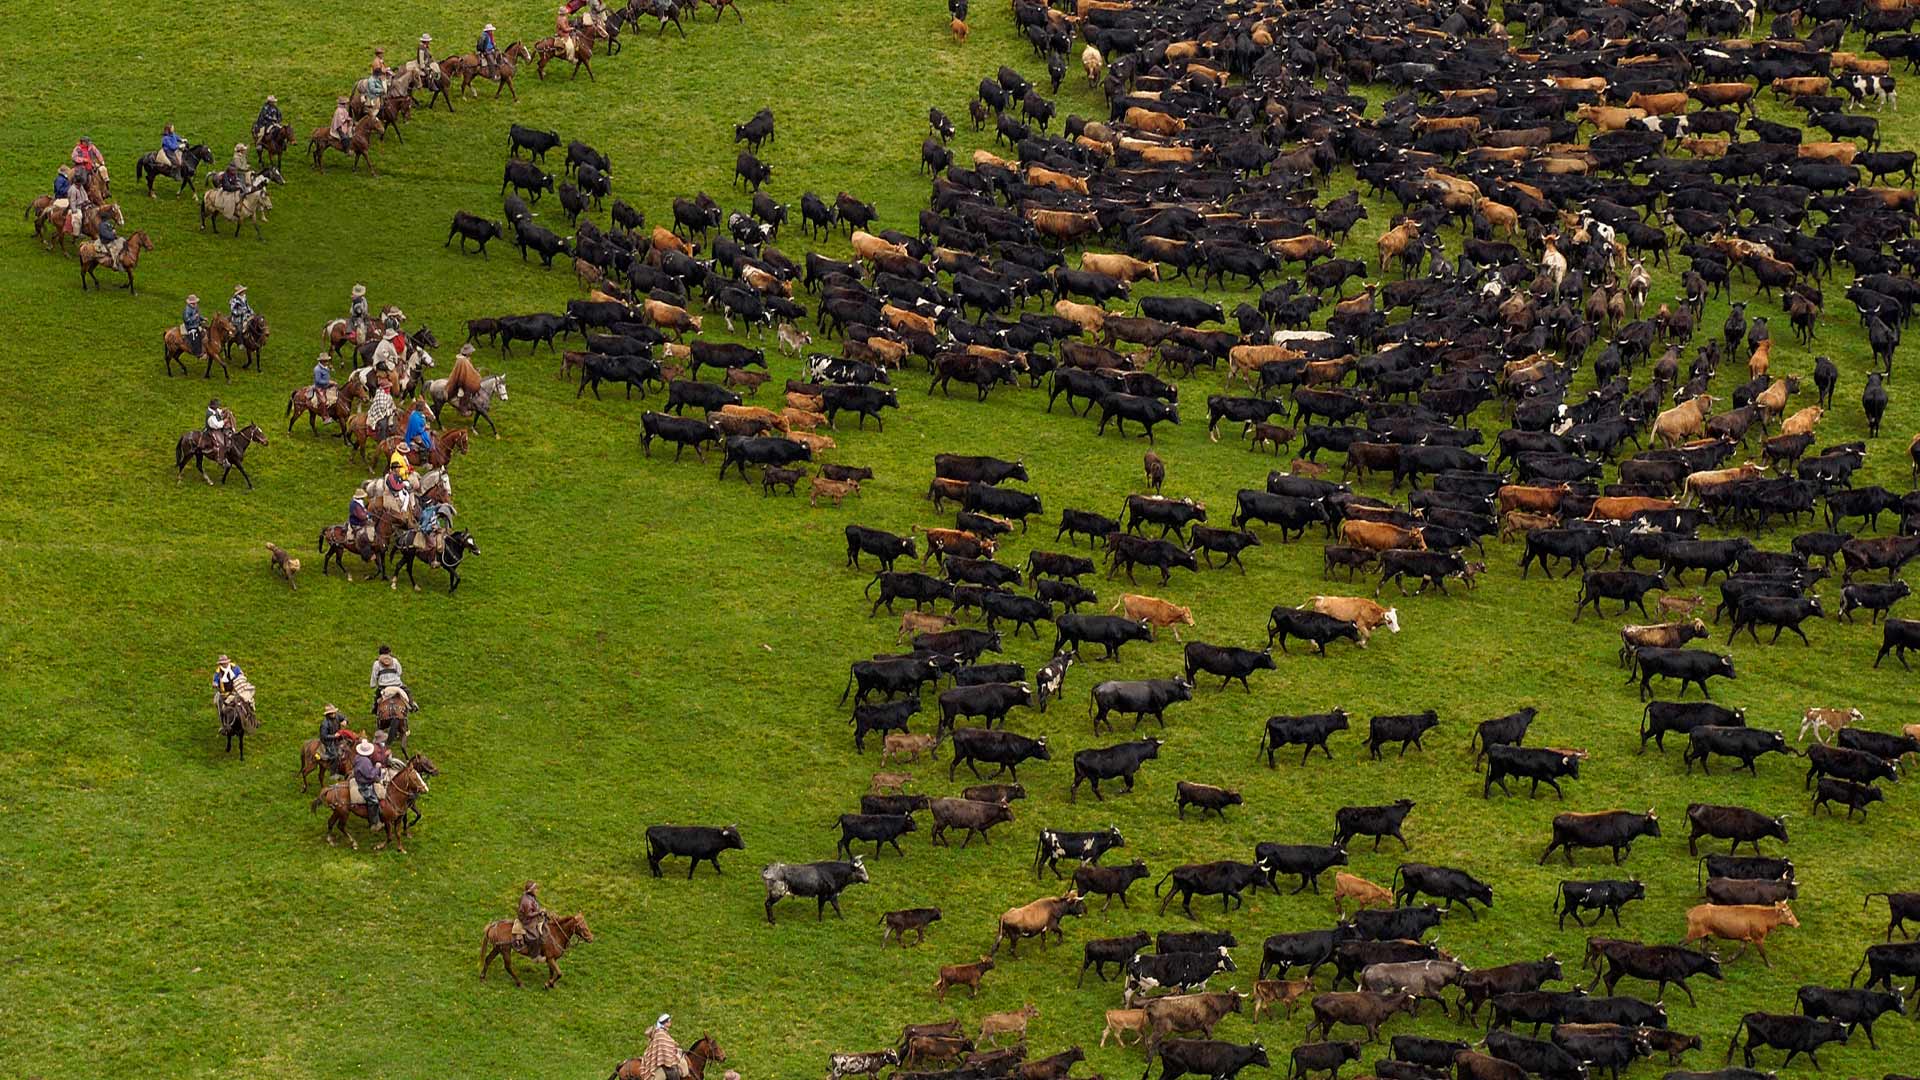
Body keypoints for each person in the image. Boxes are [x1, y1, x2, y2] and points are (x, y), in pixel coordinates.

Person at [636, 1014, 687, 1080]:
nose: (670, 1023)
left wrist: (674, 1044)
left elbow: (668, 1043)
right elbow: (663, 1047)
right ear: (665, 1023)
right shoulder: (660, 1033)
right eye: (669, 1022)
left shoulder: (663, 1032)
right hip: (660, 1060)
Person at [352, 740, 384, 828]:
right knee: (374, 801)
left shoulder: (358, 757)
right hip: (364, 785)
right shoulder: (364, 761)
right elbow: (370, 775)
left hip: (361, 779)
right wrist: (377, 768)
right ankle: (374, 823)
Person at [370, 644, 409, 714]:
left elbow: (374, 676)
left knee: (377, 696)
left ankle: (375, 709)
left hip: (383, 686)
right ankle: (412, 705)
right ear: (389, 652)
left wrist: (372, 685)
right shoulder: (394, 661)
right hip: (397, 685)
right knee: (408, 691)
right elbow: (399, 672)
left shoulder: (376, 663)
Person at [514, 882, 549, 954]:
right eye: (535, 889)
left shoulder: (531, 897)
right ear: (531, 890)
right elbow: (528, 914)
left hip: (532, 917)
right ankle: (533, 953)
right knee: (535, 936)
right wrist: (539, 912)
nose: (537, 890)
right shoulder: (526, 901)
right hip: (527, 920)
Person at [447, 344, 482, 412]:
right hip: (461, 379)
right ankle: (462, 407)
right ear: (468, 352)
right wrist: (474, 374)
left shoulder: (466, 359)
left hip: (464, 377)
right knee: (468, 390)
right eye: (471, 351)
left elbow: (469, 369)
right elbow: (463, 372)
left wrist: (475, 371)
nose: (472, 353)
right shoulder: (462, 361)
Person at [319, 704, 350, 772]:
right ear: (328, 714)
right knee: (335, 756)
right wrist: (334, 736)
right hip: (328, 741)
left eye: (334, 712)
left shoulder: (337, 715)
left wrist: (345, 721)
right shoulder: (325, 724)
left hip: (338, 736)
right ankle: (333, 770)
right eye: (331, 713)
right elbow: (323, 736)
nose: (333, 714)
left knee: (349, 744)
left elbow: (345, 717)